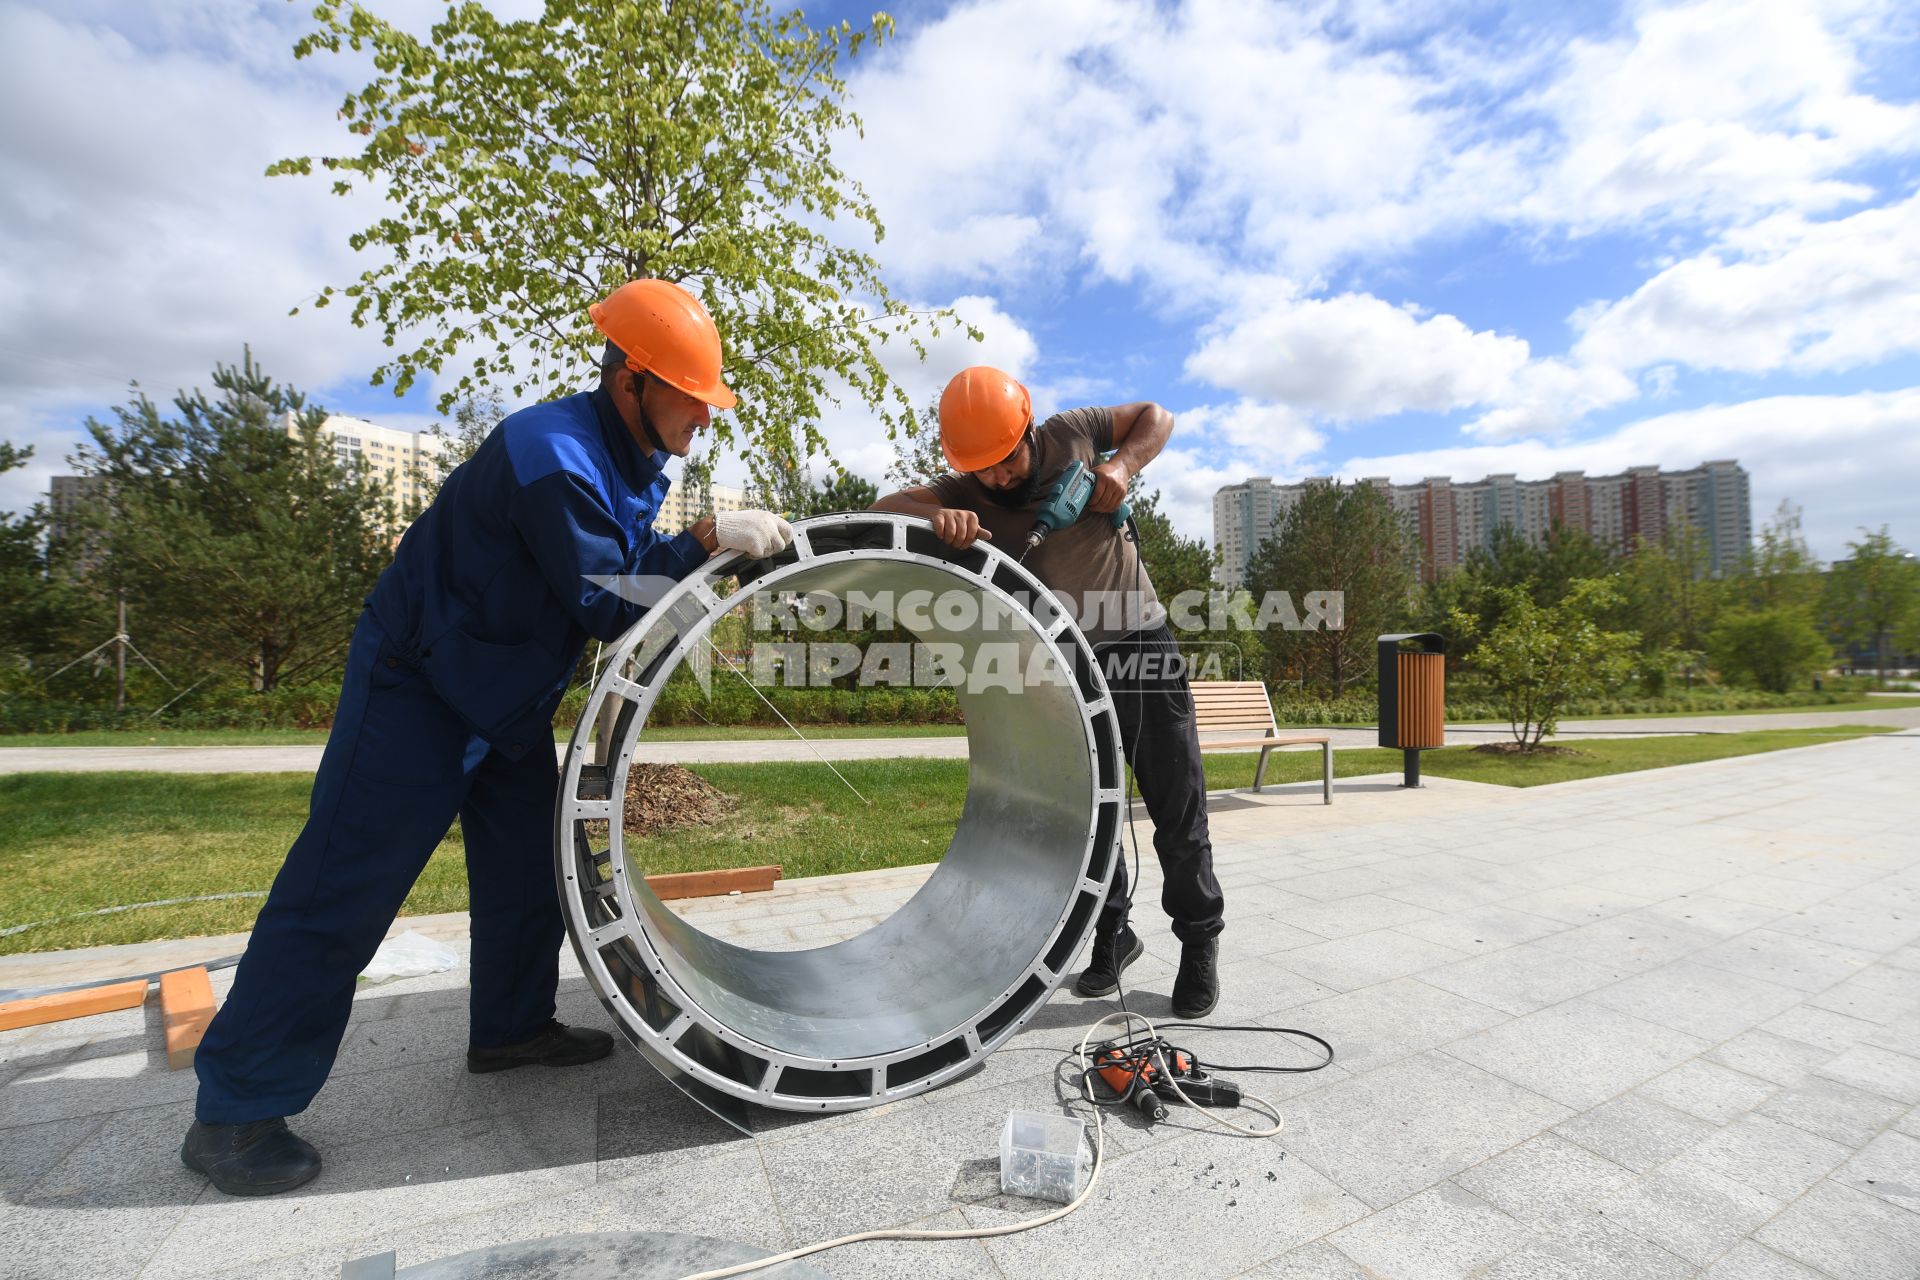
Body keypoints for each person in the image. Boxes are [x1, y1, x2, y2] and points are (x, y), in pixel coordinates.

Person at [182, 279, 794, 1196]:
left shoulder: (621, 459)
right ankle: (235, 1113)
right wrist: (705, 538)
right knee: (340, 888)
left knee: (524, 871)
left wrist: (695, 538)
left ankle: (510, 1030)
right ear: (633, 379)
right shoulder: (553, 454)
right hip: (419, 687)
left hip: (501, 697)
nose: (704, 419)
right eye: (693, 400)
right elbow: (605, 599)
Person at [873, 366, 1223, 1019]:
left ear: (1028, 427)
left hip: (1138, 646)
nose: (999, 478)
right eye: (982, 470)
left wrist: (1121, 468)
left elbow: (1156, 414)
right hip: (1061, 668)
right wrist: (937, 513)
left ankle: (1200, 942)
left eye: (1006, 460)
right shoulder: (966, 487)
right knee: (1089, 820)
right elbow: (881, 508)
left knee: (1177, 809)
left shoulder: (1073, 434)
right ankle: (1112, 937)